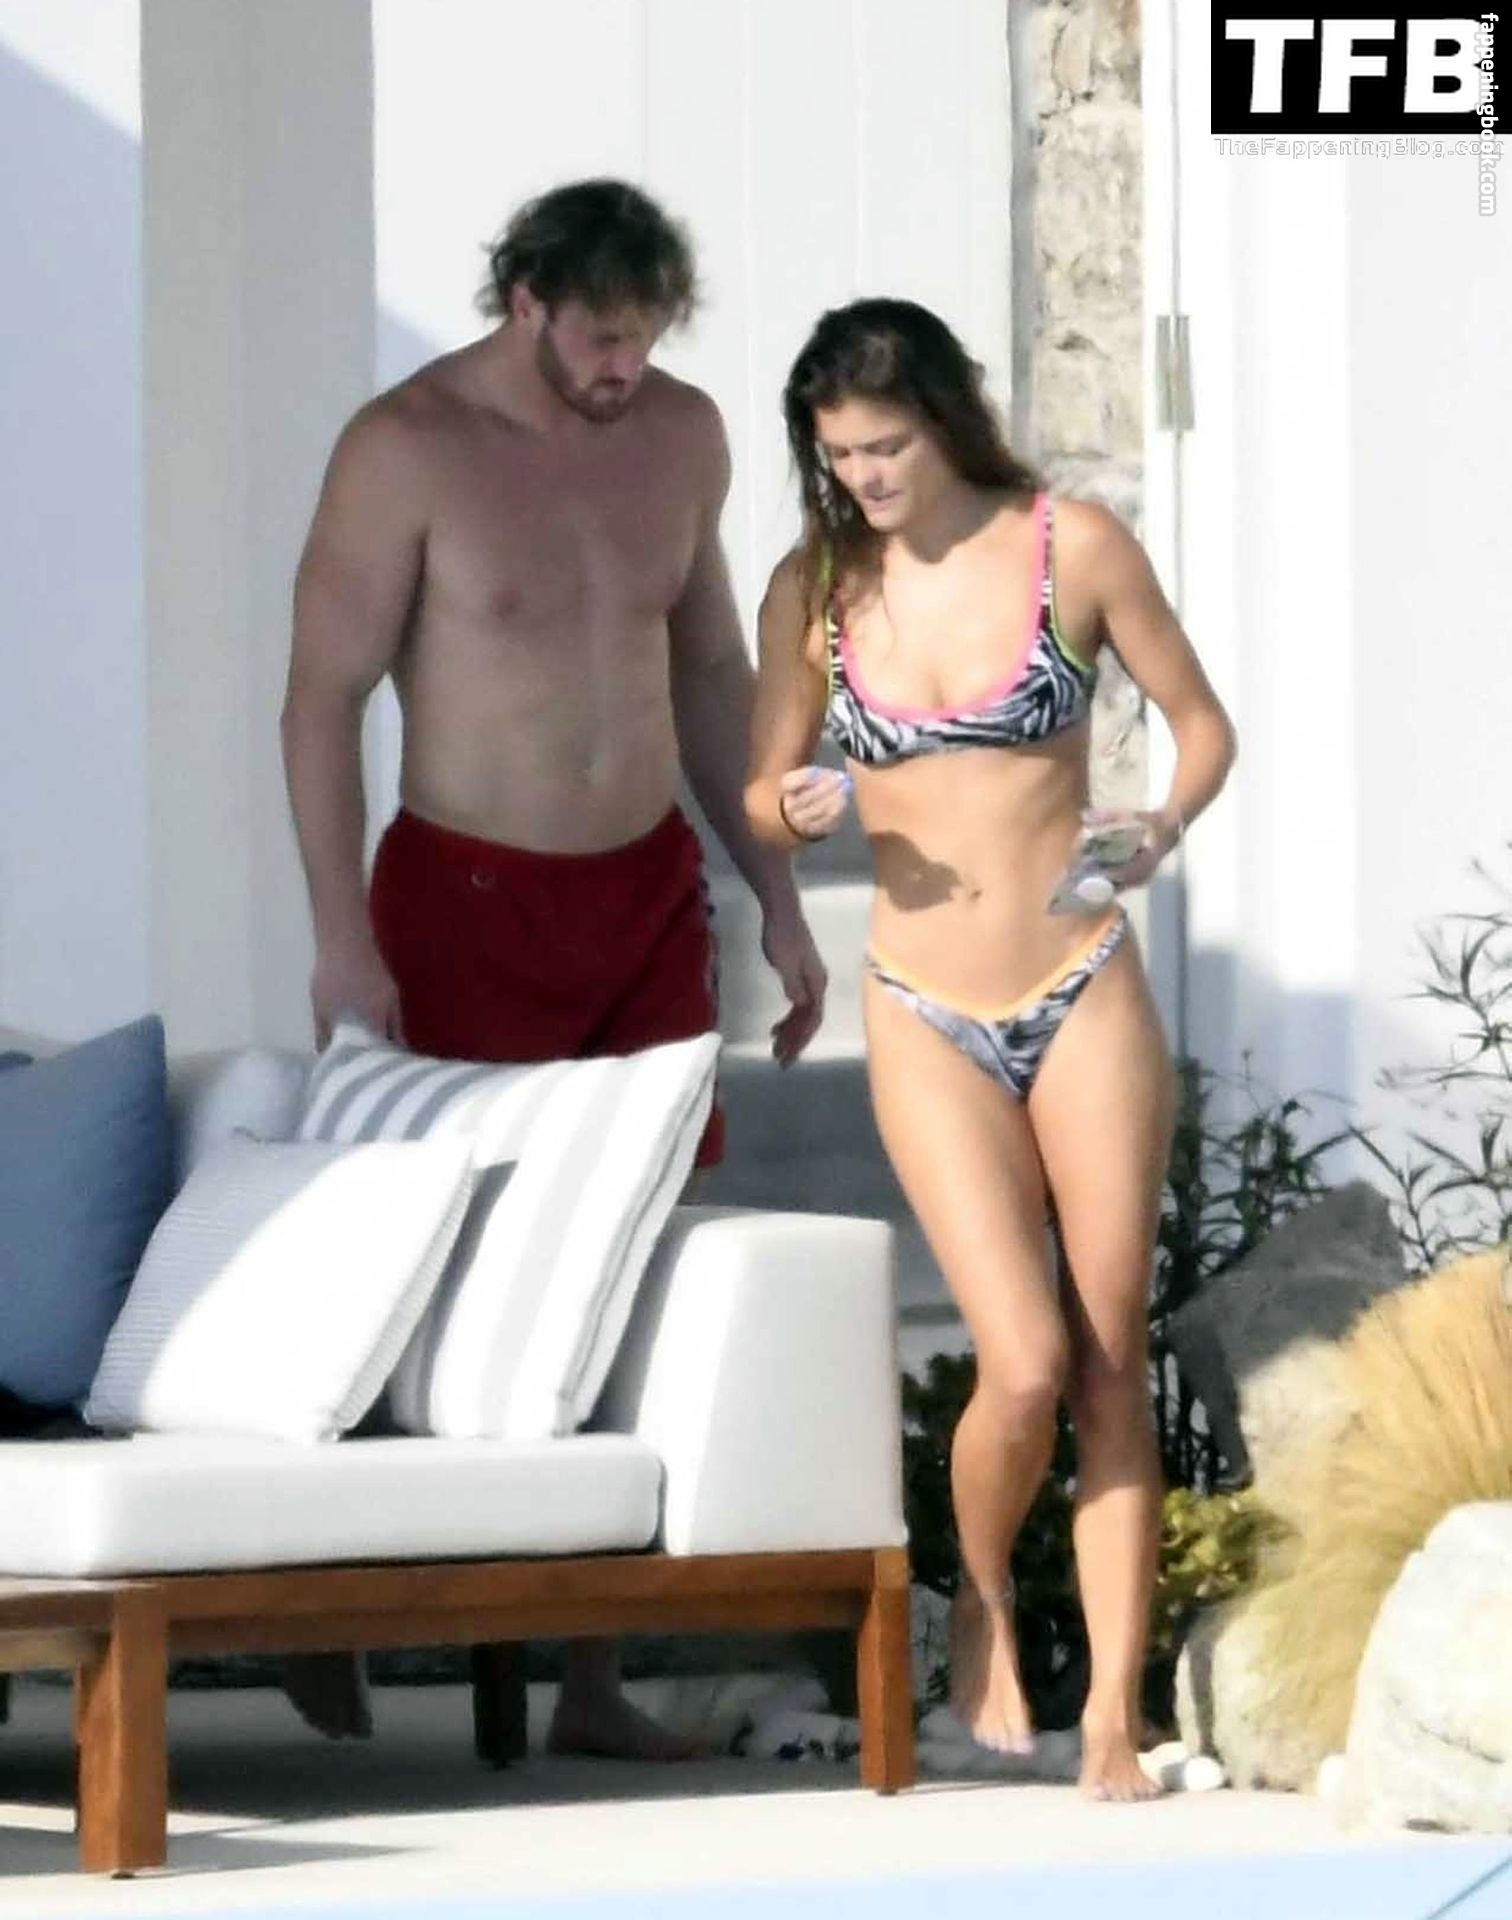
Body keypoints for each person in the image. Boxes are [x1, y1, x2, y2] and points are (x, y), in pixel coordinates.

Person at [281, 178, 826, 1760]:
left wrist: (776, 896)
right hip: (464, 894)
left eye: (645, 338)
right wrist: (339, 936)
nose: (622, 369)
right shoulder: (406, 448)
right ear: (523, 299)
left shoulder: (683, 435)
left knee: (624, 1255)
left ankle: (588, 1679)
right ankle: (334, 1615)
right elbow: (319, 699)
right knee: (427, 1259)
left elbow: (710, 667)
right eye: (598, 338)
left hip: (645, 891)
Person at [745, 299, 1236, 1801]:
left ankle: (1114, 1719)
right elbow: (761, 787)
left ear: (948, 417)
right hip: (922, 1004)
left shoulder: (1071, 549)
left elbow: (1204, 726)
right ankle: (980, 1596)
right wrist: (791, 810)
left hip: (1079, 978)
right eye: (841, 455)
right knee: (1019, 1360)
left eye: (886, 446)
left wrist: (1159, 826)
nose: (865, 477)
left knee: (1106, 1358)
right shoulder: (817, 586)